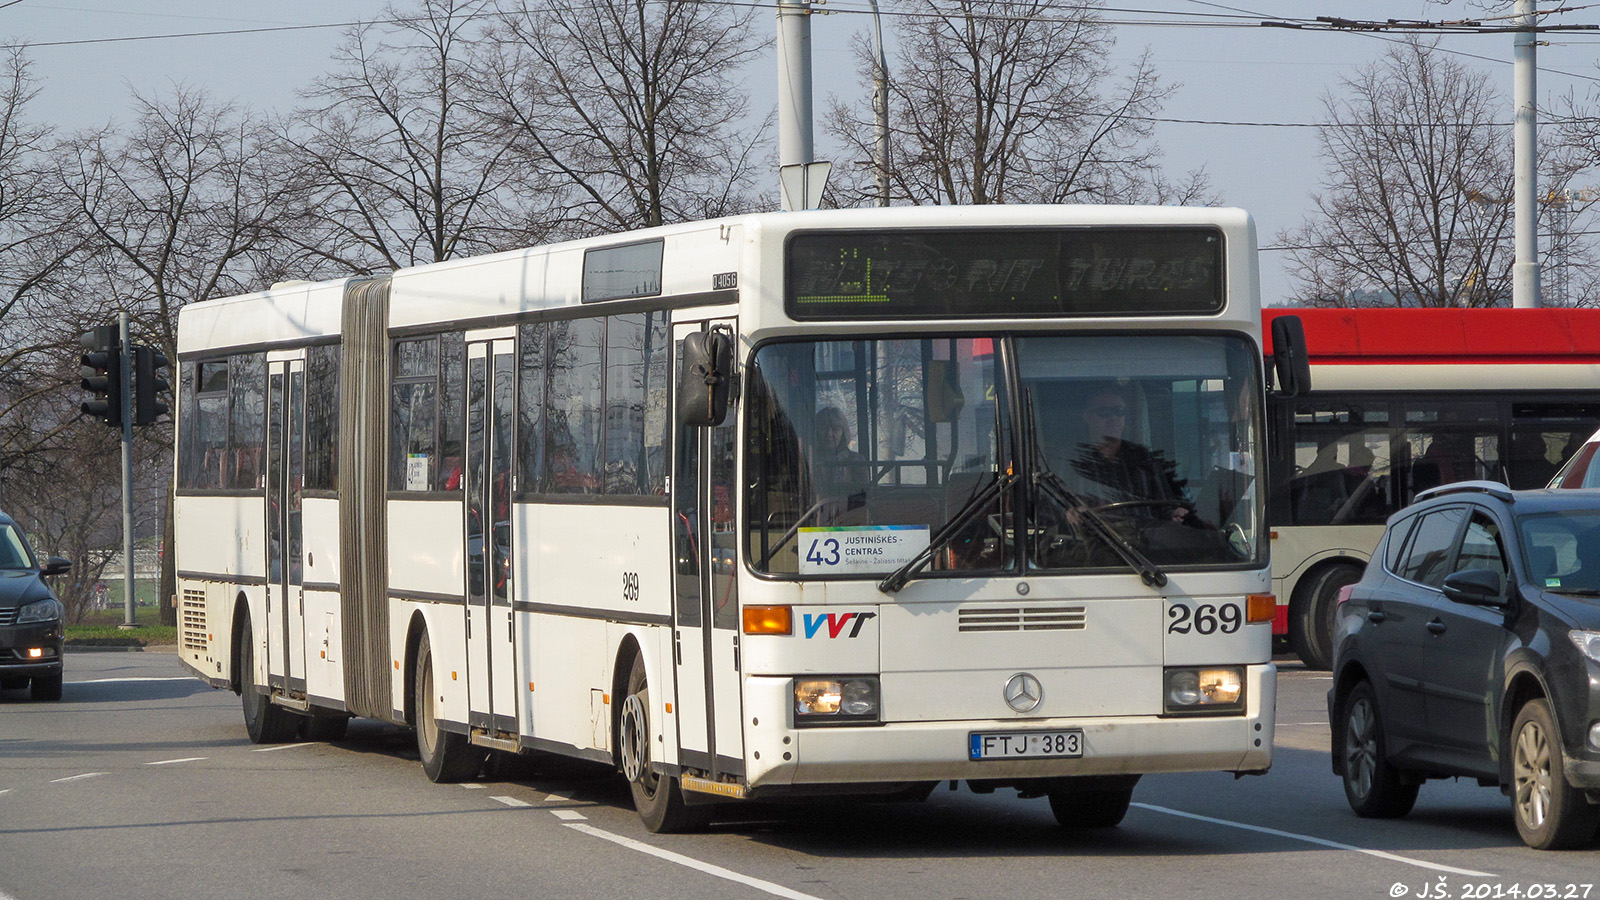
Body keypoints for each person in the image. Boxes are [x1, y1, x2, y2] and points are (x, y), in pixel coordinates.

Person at [1068, 384, 1192, 522]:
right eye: (1104, 413)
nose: (1113, 419)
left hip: (1147, 541)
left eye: (1119, 411)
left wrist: (1175, 514)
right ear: (1087, 418)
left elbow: (1165, 508)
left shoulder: (1145, 461)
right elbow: (1060, 510)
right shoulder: (1074, 463)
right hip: (1095, 541)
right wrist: (1071, 516)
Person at [813, 406, 869, 497]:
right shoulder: (809, 459)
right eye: (824, 428)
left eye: (835, 429)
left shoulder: (856, 461)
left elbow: (863, 498)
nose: (829, 434)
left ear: (844, 432)